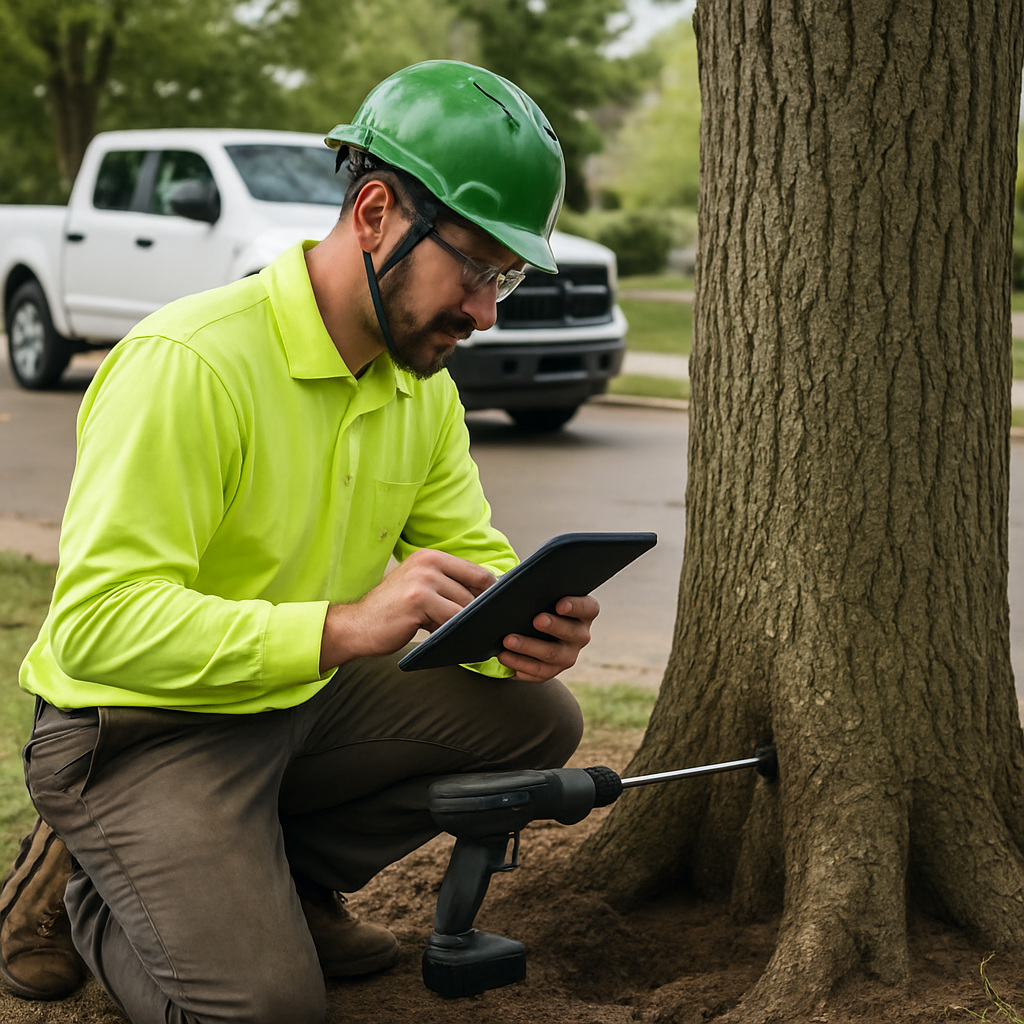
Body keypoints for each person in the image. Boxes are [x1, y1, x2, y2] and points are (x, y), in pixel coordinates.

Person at [0, 60, 597, 1023]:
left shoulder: (422, 390)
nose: (487, 311)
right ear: (373, 215)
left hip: (294, 708)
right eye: (478, 268)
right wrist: (343, 627)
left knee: (540, 723)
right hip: (139, 729)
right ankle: (94, 899)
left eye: (509, 277)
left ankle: (275, 882)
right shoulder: (188, 365)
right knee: (271, 1010)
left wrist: (522, 629)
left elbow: (471, 569)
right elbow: (100, 628)